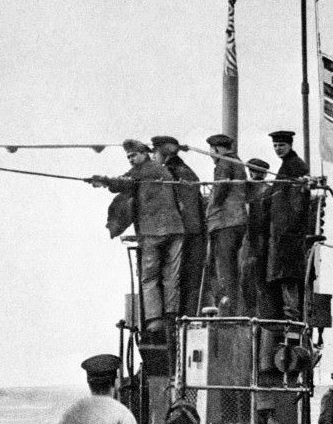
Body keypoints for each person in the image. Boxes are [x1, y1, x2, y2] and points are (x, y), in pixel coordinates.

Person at [91, 139, 184, 340]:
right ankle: (171, 316)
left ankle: (154, 321)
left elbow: (121, 183)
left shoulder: (143, 169)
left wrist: (103, 180)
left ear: (143, 153)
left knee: (149, 277)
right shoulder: (162, 170)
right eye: (129, 157)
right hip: (176, 229)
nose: (131, 160)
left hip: (153, 231)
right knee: (171, 276)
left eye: (133, 155)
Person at [151, 135, 206, 317]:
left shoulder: (171, 173)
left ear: (163, 154)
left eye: (155, 153)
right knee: (189, 281)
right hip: (194, 231)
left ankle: (177, 321)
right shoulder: (186, 170)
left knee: (178, 279)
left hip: (183, 233)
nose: (153, 157)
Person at [266, 130, 310, 321]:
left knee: (288, 277)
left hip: (288, 234)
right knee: (285, 277)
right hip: (283, 233)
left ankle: (291, 316)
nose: (278, 149)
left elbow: (296, 203)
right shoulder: (288, 165)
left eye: (281, 145)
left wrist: (286, 229)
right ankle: (289, 315)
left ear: (290, 145)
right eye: (275, 146)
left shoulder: (295, 167)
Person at [204, 134, 247, 314]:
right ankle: (231, 307)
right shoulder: (239, 163)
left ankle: (226, 310)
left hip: (224, 223)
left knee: (222, 269)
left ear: (217, 149)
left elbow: (219, 192)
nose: (211, 155)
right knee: (231, 269)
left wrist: (209, 211)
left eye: (211, 151)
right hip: (238, 221)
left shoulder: (223, 164)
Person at [239, 158, 273, 318]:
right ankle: (256, 314)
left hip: (255, 240)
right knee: (254, 279)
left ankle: (255, 314)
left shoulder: (260, 191)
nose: (255, 174)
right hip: (255, 240)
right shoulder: (261, 189)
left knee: (252, 277)